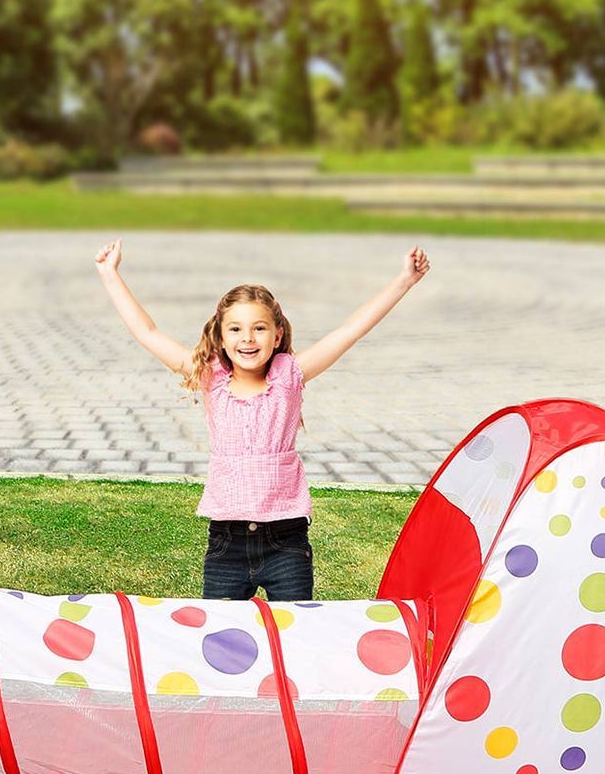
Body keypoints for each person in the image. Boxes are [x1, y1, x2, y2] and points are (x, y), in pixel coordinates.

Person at [94, 238, 430, 600]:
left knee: (293, 635)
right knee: (220, 643)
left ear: (277, 334)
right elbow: (148, 333)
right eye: (236, 329)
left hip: (286, 542)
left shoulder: (290, 375)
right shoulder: (211, 377)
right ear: (221, 339)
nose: (248, 338)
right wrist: (109, 273)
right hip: (227, 543)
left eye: (259, 328)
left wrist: (404, 281)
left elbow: (348, 332)